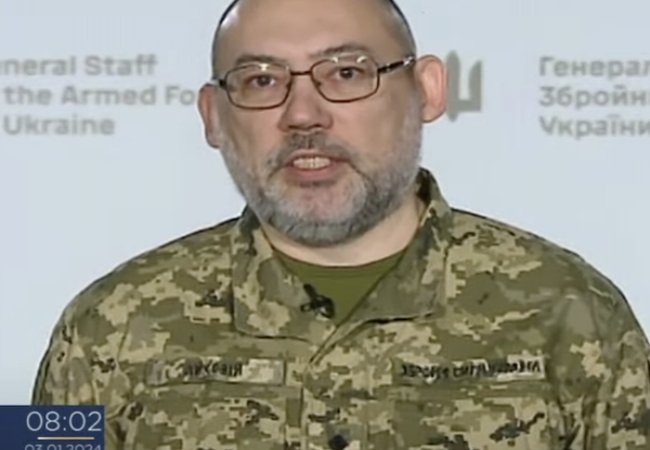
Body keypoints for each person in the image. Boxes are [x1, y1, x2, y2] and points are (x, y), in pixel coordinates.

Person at [32, 0, 650, 448]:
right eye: (261, 80)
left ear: (428, 90)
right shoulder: (104, 326)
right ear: (214, 116)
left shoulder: (574, 313)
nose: (303, 114)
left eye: (348, 73)